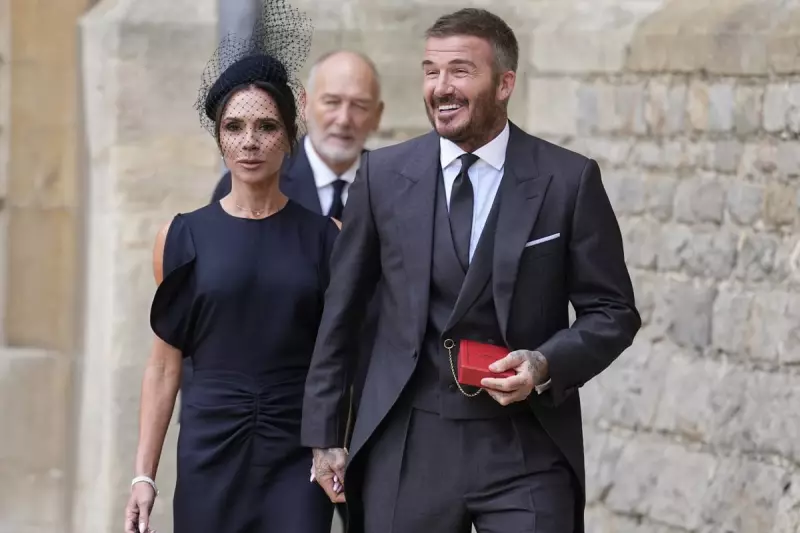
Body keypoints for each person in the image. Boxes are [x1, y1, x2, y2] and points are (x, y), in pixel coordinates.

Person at [302, 8, 641, 533]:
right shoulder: (383, 176)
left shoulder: (568, 180)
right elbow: (340, 313)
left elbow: (613, 311)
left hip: (524, 445)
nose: (441, 87)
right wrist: (325, 434)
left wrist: (545, 364)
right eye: (431, 70)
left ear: (505, 83)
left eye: (460, 71)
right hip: (408, 439)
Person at [124, 2, 337, 532]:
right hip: (208, 450)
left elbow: (340, 358)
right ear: (218, 136)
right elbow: (164, 365)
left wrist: (335, 441)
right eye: (234, 126)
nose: (249, 141)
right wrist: (143, 477)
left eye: (266, 126)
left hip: (298, 454)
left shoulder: (327, 238)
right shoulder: (180, 236)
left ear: (289, 136)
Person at [208, 48, 384, 531]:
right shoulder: (250, 174)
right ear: (305, 105)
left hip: (365, 425)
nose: (344, 119)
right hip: (270, 425)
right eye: (331, 102)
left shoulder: (395, 189)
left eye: (359, 105)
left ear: (378, 115)